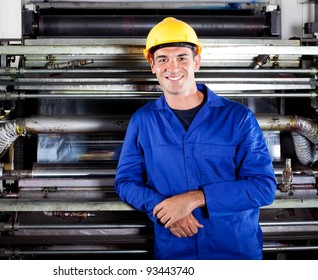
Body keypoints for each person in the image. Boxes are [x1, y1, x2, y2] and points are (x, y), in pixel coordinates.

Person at [114, 17, 277, 260]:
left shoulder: (238, 118)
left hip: (234, 252)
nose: (173, 67)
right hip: (175, 251)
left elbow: (263, 188)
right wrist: (165, 210)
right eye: (163, 59)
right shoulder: (143, 120)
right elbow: (125, 182)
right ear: (152, 66)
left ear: (196, 62)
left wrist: (195, 199)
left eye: (182, 57)